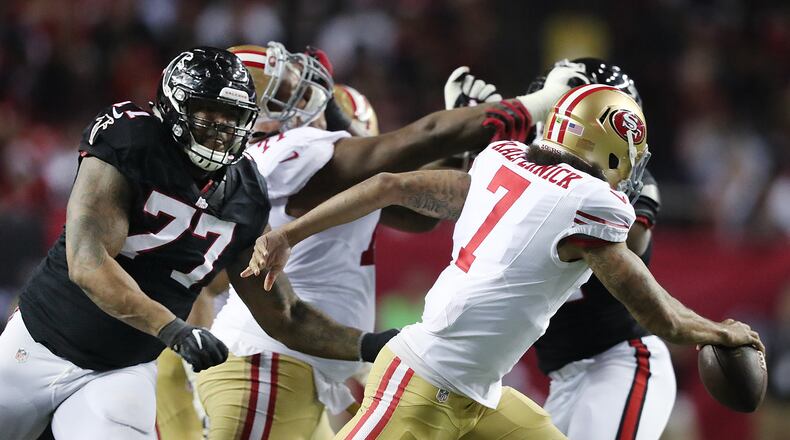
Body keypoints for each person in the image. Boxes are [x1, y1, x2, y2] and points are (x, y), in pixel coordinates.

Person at [243, 85, 764, 439]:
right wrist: (724, 333)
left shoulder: (502, 160)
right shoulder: (592, 204)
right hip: (425, 381)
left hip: (478, 393)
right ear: (611, 150)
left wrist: (289, 233)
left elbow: (389, 187)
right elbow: (660, 317)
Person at [0, 47, 394, 440]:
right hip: (37, 346)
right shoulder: (131, 139)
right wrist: (173, 330)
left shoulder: (246, 192)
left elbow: (284, 314)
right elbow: (88, 262)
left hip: (121, 371)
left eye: (234, 116)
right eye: (210, 111)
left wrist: (370, 344)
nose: (223, 126)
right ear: (175, 106)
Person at [196, 41, 584, 439]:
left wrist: (461, 138)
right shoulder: (289, 150)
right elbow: (422, 137)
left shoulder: (291, 168)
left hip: (290, 369)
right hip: (267, 365)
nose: (308, 95)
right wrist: (538, 103)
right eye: (281, 91)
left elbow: (417, 214)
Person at [449, 59, 676, 440]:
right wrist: (461, 141)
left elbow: (628, 244)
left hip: (619, 360)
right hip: (563, 377)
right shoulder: (516, 167)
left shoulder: (625, 187)